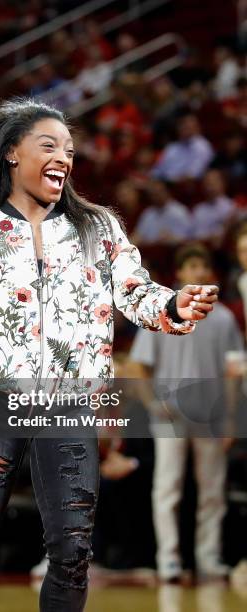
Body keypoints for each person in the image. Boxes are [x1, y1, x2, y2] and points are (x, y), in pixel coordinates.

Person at [0, 97, 218, 612]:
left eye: (69, 148)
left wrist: (174, 303)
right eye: (49, 145)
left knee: (72, 551)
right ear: (12, 153)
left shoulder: (98, 227)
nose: (64, 156)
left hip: (68, 405)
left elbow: (137, 292)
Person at [129, 243, 244, 583]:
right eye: (190, 266)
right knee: (168, 489)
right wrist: (153, 404)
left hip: (210, 418)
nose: (196, 272)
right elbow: (138, 367)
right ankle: (169, 561)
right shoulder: (166, 312)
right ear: (179, 273)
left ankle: (208, 559)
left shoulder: (222, 318)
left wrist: (230, 417)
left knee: (212, 491)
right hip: (170, 418)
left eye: (202, 266)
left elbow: (233, 373)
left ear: (209, 272)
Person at [151, 113, 214, 182]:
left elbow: (195, 174)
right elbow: (158, 170)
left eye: (189, 125)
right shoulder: (172, 147)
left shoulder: (202, 146)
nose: (185, 127)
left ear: (197, 127)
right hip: (166, 182)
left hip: (188, 185)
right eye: (182, 124)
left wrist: (173, 179)